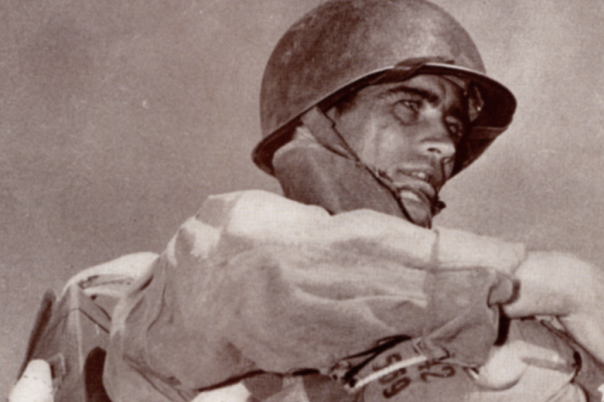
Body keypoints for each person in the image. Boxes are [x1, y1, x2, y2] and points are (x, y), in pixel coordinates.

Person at [11, 1, 604, 401]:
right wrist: (551, 282)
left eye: (453, 124)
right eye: (408, 107)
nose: (445, 145)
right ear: (319, 121)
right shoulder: (180, 270)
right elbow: (270, 272)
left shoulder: (500, 326)